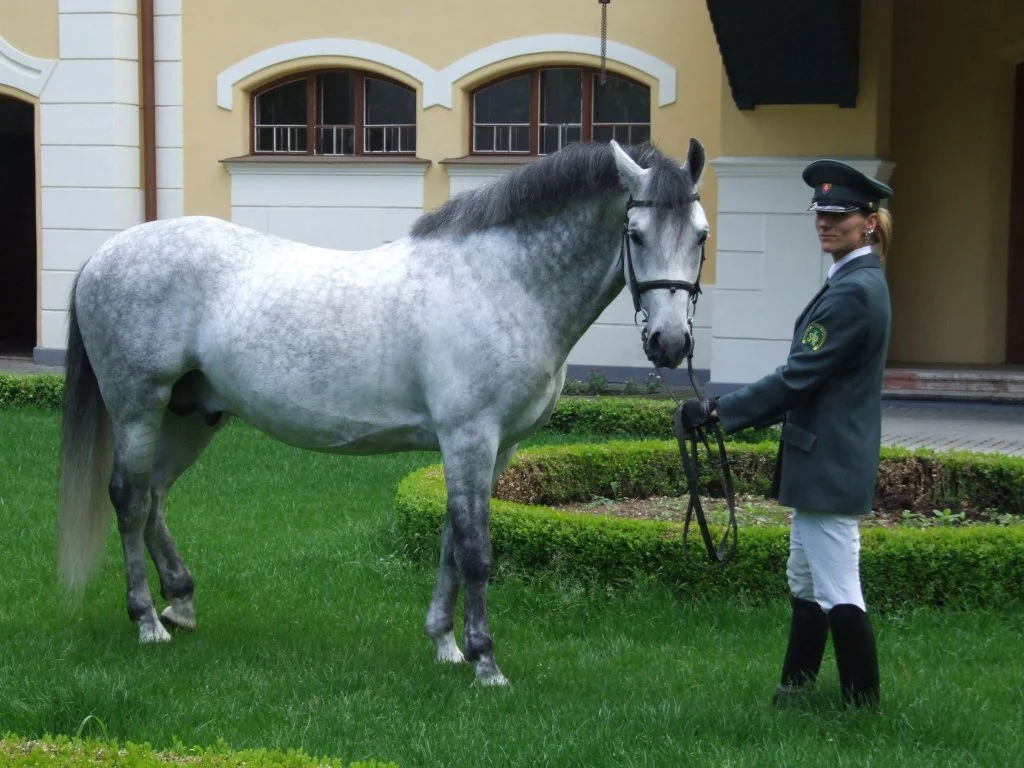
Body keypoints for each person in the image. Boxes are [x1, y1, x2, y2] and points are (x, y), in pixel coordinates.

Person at [680, 160, 894, 710]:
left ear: (869, 221)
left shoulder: (855, 291)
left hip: (829, 460)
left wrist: (716, 411)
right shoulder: (851, 279)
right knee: (804, 577)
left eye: (840, 214)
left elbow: (798, 377)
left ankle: (862, 706)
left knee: (839, 585)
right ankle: (794, 688)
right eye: (820, 214)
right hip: (821, 456)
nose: (826, 223)